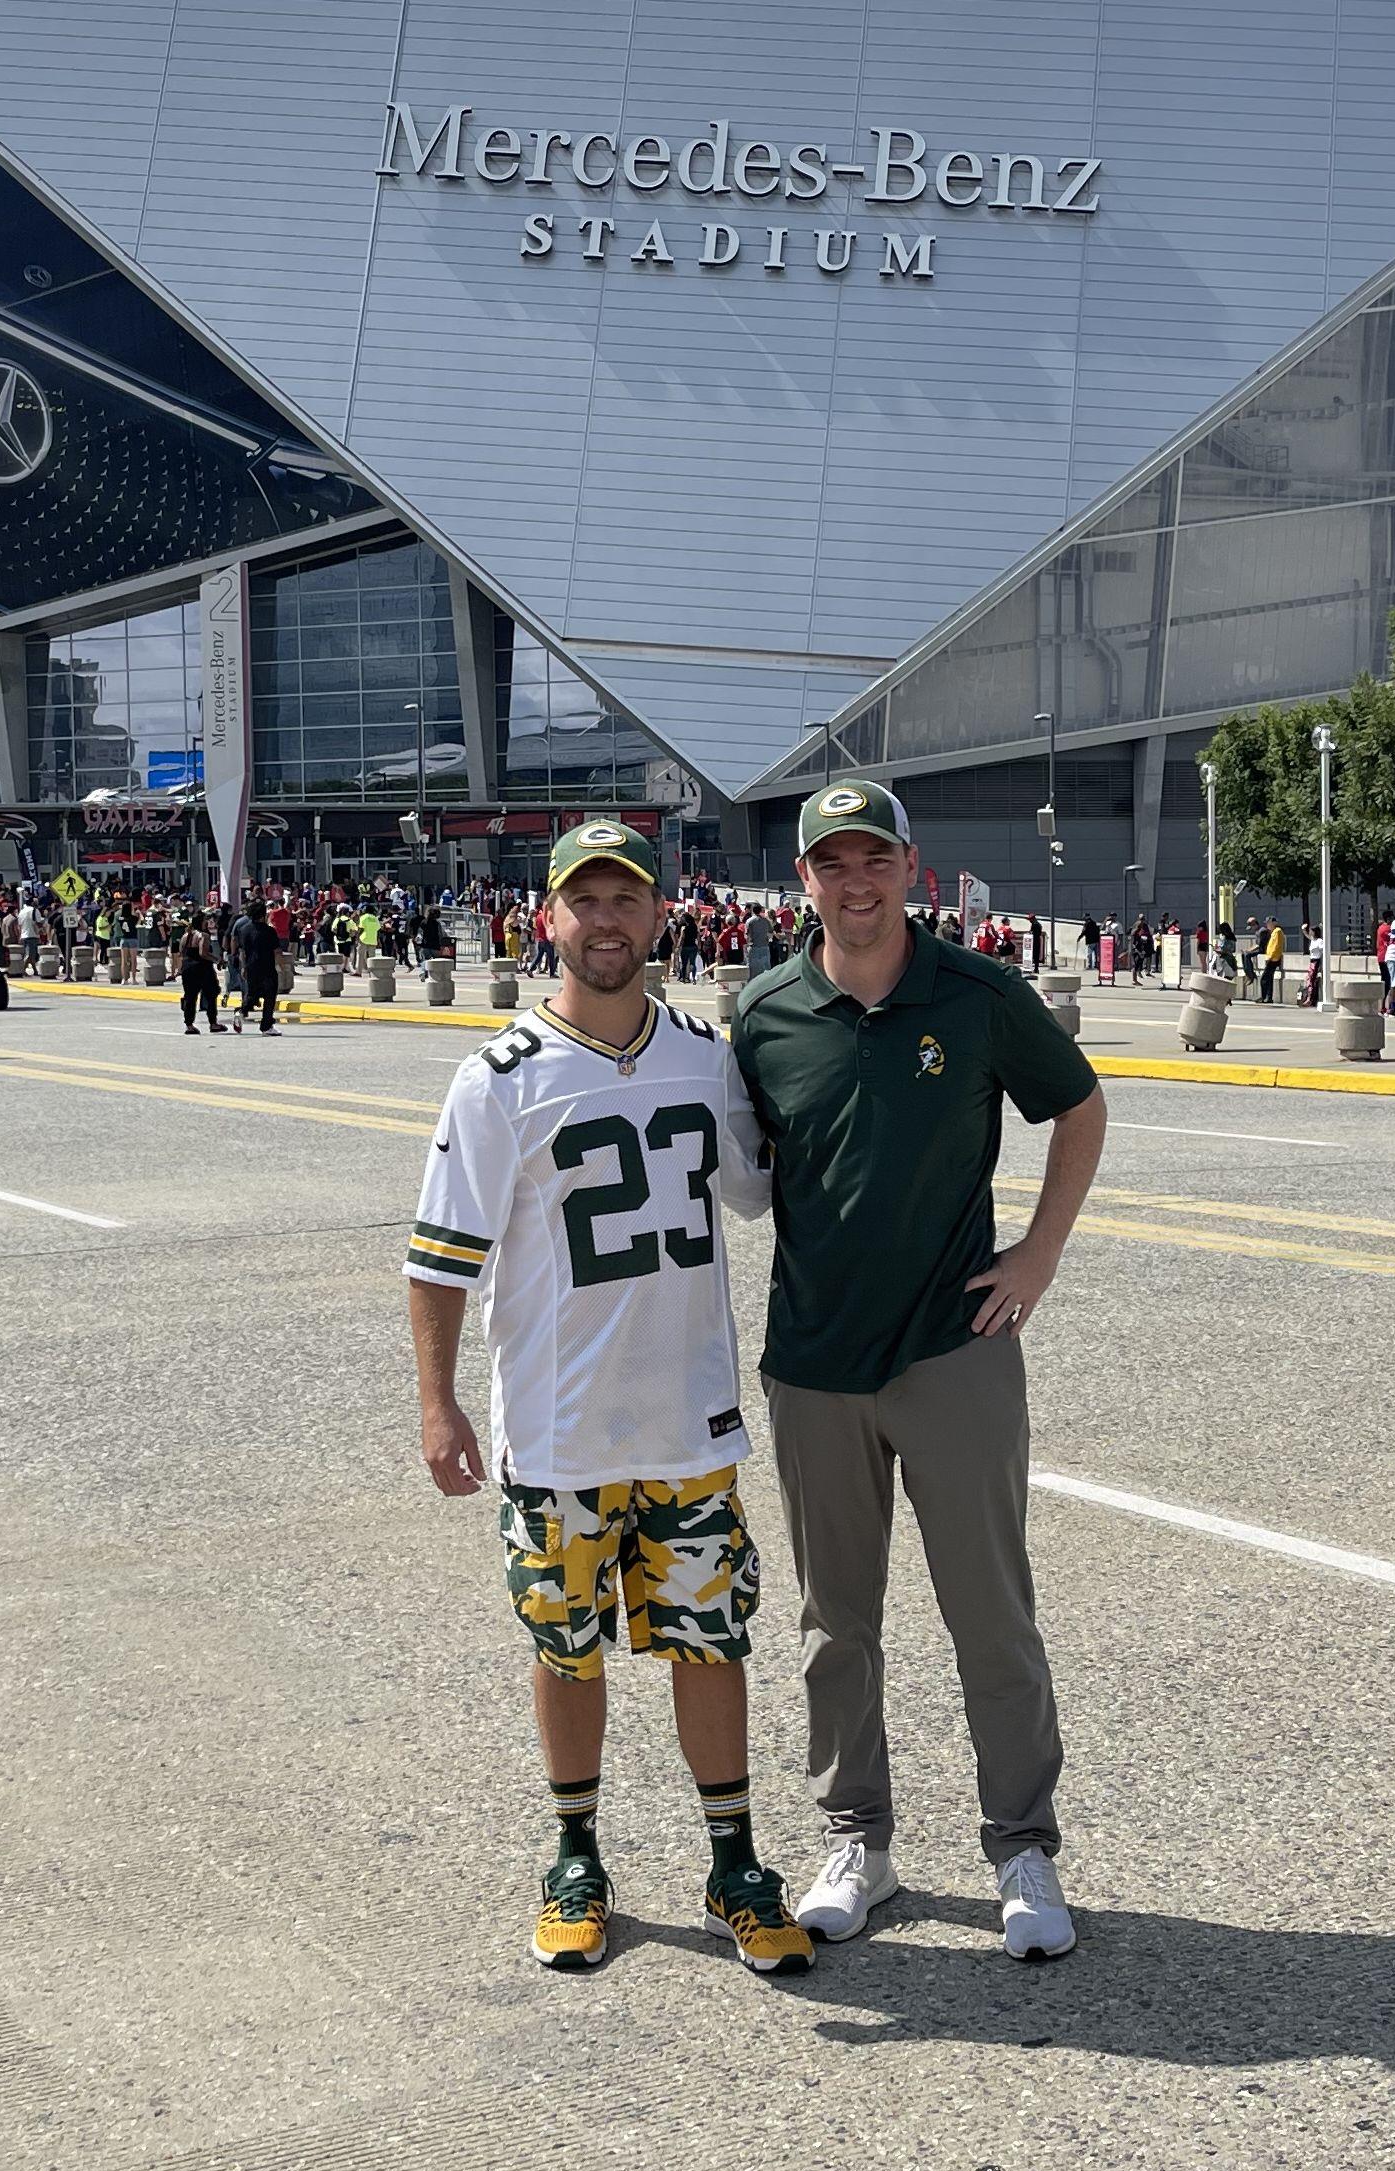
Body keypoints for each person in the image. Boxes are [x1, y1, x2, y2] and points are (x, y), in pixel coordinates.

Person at [406, 820, 811, 1978]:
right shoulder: (497, 1082)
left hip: (689, 1420)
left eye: (625, 898)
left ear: (659, 914)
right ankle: (576, 1855)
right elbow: (438, 1260)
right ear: (548, 919)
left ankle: (734, 1864)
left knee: (710, 1641)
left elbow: (765, 1190)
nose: (605, 921)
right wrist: (438, 1404)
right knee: (566, 1647)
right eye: (583, 901)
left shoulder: (705, 1058)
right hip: (559, 1430)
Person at [733, 779, 1107, 1963]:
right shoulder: (763, 1014)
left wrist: (1038, 1255)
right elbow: (734, 1171)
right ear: (804, 879)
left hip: (955, 1353)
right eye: (832, 863)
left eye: (874, 860)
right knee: (834, 1622)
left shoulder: (978, 994)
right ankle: (860, 1839)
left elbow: (1080, 1107)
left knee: (990, 1615)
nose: (856, 883)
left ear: (910, 866)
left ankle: (1022, 1847)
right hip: (816, 1365)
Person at [229, 895, 280, 1034]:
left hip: (251, 966)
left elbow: (242, 951)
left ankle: (241, 1011)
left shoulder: (244, 930)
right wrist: (281, 965)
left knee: (252, 994)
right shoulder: (269, 930)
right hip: (267, 967)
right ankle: (266, 1026)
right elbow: (276, 951)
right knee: (270, 996)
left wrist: (243, 967)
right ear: (263, 915)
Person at [181, 916, 225, 1033]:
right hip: (202, 968)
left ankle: (189, 1025)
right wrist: (217, 960)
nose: (207, 923)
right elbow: (203, 953)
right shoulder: (203, 935)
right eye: (205, 921)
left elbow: (182, 952)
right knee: (211, 994)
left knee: (190, 996)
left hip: (187, 967)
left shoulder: (185, 936)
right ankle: (213, 1023)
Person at [1259, 918, 1285, 1005]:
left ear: (1273, 923)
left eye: (1268, 923)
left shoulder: (1277, 931)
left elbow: (1276, 945)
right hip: (1272, 958)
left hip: (1273, 959)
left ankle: (1265, 996)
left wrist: (1270, 957)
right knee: (1269, 979)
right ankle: (1268, 997)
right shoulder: (1274, 932)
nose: (1267, 925)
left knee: (1264, 978)